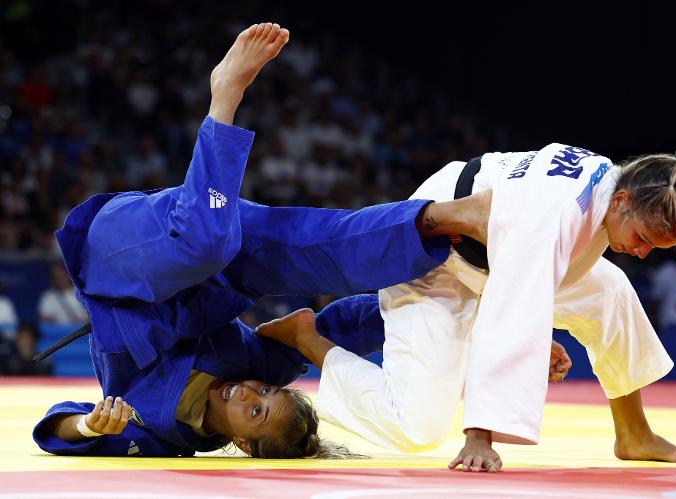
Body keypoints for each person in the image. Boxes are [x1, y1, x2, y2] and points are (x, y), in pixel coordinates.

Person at [32, 22, 493, 459]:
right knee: (315, 250)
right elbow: (353, 327)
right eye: (270, 392)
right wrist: (473, 320)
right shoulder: (253, 367)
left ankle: (225, 102)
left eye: (255, 411)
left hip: (116, 269)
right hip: (194, 247)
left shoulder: (160, 430)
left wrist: (91, 427)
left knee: (224, 242)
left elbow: (57, 428)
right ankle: (447, 218)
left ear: (244, 445)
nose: (252, 391)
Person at [259, 137, 676, 471]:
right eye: (642, 239)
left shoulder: (612, 187)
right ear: (621, 201)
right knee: (416, 428)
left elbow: (525, 279)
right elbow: (512, 311)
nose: (642, 252)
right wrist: (480, 435)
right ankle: (308, 338)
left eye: (652, 249)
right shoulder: (557, 214)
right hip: (439, 255)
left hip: (494, 255)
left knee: (612, 291)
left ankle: (633, 433)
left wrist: (543, 333)